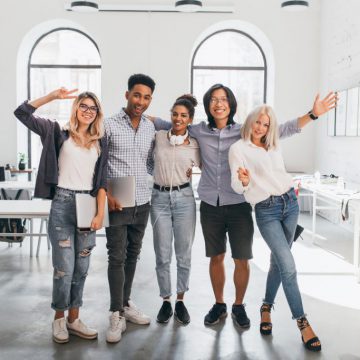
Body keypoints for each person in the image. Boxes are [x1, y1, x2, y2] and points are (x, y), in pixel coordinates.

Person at [154, 84, 336, 328]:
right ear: (208, 106)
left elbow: (281, 130)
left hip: (239, 204)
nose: (219, 104)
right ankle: (219, 304)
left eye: (224, 99)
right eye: (214, 100)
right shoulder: (198, 130)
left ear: (231, 104)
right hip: (210, 205)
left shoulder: (244, 132)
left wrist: (312, 114)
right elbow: (171, 124)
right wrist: (139, 114)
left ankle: (238, 305)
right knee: (216, 257)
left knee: (242, 258)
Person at [229, 105, 328, 352]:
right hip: (266, 210)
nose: (261, 128)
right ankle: (302, 322)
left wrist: (313, 113)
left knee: (278, 262)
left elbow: (293, 127)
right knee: (289, 265)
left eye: (266, 124)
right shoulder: (238, 149)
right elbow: (236, 184)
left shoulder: (273, 143)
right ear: (250, 121)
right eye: (258, 123)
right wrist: (242, 182)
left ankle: (265, 307)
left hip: (290, 204)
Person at [14, 88, 108, 344]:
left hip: (88, 204)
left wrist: (100, 213)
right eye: (84, 106)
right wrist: (52, 97)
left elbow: (102, 183)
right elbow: (22, 113)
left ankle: (74, 318)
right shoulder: (57, 133)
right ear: (76, 108)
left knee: (82, 268)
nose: (88, 111)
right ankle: (58, 318)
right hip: (63, 204)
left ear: (97, 113)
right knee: (64, 268)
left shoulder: (101, 141)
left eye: (93, 108)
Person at [104, 74, 156, 343]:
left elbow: (148, 161)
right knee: (117, 256)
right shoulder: (109, 125)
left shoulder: (149, 127)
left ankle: (124, 304)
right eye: (137, 95)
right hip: (117, 197)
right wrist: (106, 191)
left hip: (142, 199)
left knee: (134, 254)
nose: (141, 101)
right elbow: (98, 163)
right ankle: (115, 313)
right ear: (127, 95)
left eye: (147, 97)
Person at [151, 95, 200, 325]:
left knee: (184, 253)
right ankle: (166, 301)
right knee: (162, 254)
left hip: (185, 199)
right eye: (175, 114)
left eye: (183, 115)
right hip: (159, 198)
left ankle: (180, 300)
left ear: (190, 119)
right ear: (170, 115)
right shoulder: (159, 137)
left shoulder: (194, 144)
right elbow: (148, 161)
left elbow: (211, 166)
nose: (178, 119)